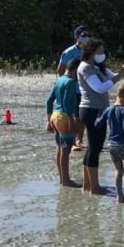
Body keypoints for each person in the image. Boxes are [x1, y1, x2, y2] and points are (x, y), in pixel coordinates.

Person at [77, 39, 124, 194]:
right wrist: (118, 76)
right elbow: (100, 88)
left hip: (96, 110)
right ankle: (94, 187)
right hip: (91, 110)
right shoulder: (85, 67)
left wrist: (123, 71)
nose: (102, 55)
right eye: (99, 52)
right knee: (95, 148)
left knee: (93, 148)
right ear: (91, 52)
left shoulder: (97, 66)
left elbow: (113, 77)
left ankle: (87, 185)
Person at [46, 57, 82, 187]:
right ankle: (66, 181)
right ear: (76, 70)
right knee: (66, 151)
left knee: (59, 148)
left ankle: (62, 179)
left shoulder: (59, 80)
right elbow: (67, 103)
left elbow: (49, 101)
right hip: (64, 117)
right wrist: (72, 121)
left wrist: (48, 120)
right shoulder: (71, 82)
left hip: (55, 115)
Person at [58, 26, 91, 150]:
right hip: (72, 89)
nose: (86, 38)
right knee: (72, 116)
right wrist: (69, 84)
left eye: (87, 35)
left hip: (84, 89)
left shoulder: (89, 52)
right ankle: (71, 141)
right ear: (77, 37)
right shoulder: (69, 52)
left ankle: (79, 140)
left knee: (81, 116)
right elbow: (60, 71)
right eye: (83, 36)